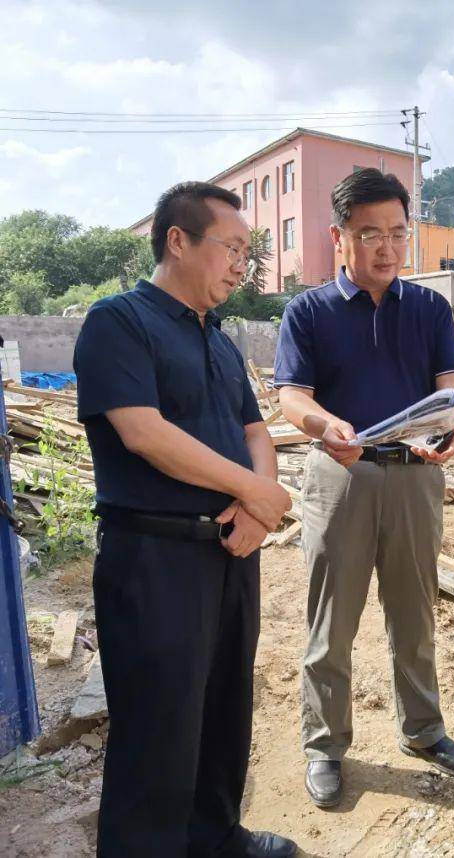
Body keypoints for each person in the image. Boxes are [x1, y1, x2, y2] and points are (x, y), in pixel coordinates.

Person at [74, 182, 296, 857]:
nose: (242, 266)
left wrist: (258, 506)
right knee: (157, 732)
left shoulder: (222, 342)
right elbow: (144, 433)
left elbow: (257, 431)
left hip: (229, 553)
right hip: (154, 560)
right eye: (231, 247)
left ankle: (217, 836)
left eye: (248, 255)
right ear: (179, 240)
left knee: (225, 711)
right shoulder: (119, 322)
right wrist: (258, 495)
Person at [274, 168, 454, 810]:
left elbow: (451, 382)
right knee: (332, 622)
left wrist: (453, 427)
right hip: (342, 475)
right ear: (340, 237)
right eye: (370, 234)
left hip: (416, 475)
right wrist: (324, 423)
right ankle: (324, 746)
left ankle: (423, 730)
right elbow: (290, 395)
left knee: (414, 612)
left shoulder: (428, 307)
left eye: (397, 232)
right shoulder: (308, 311)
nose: (387, 248)